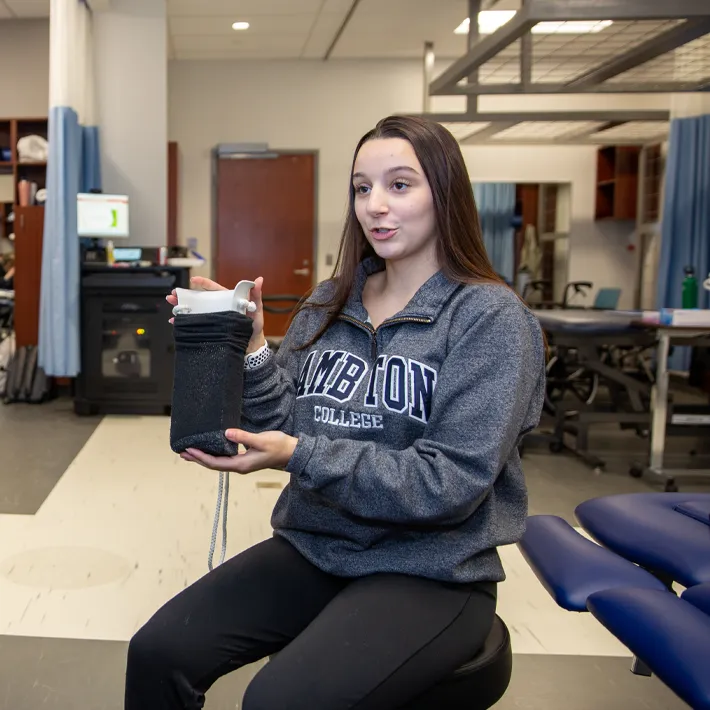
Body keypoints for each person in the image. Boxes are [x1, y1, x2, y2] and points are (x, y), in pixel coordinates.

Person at [125, 115, 546, 710]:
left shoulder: (489, 321)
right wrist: (252, 350)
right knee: (156, 653)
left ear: (445, 193)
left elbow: (449, 483)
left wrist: (300, 454)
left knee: (277, 700)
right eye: (362, 187)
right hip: (316, 545)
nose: (376, 205)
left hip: (430, 570)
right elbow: (287, 422)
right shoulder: (329, 301)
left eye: (400, 185)